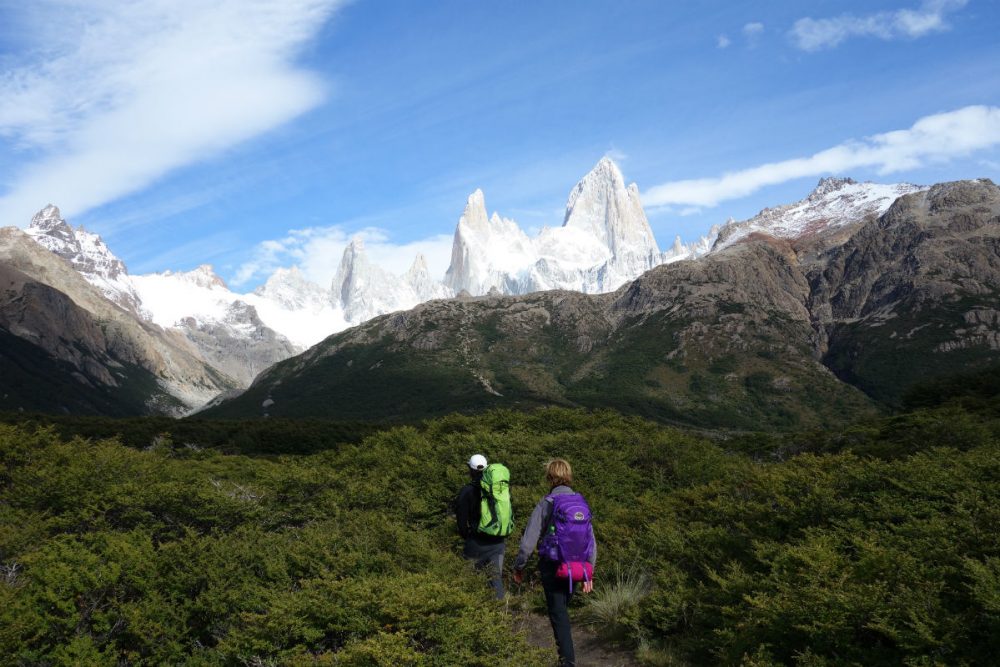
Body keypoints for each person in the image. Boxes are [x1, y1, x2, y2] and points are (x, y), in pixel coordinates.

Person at [513, 458, 596, 667]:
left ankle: (567, 662)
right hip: (576, 568)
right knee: (561, 611)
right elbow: (591, 542)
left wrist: (519, 566)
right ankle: (564, 658)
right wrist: (589, 573)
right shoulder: (581, 503)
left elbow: (527, 542)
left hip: (553, 566)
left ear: (550, 477)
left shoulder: (547, 503)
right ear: (568, 476)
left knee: (558, 615)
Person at [455, 453, 507, 599]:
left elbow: (461, 522)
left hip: (476, 542)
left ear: (470, 469)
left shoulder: (467, 491)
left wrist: (468, 536)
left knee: (471, 581)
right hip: (498, 541)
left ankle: (475, 614)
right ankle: (500, 615)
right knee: (495, 580)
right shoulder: (497, 489)